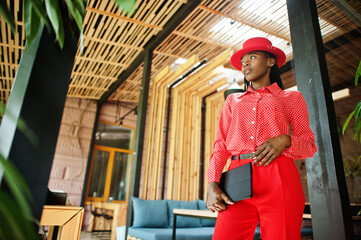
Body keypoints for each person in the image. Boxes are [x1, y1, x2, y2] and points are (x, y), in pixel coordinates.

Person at [206, 37, 317, 240]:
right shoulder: (232, 101)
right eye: (243, 61)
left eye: (252, 57)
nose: (245, 63)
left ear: (270, 61)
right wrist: (212, 183)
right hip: (237, 178)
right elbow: (220, 145)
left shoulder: (292, 98)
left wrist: (286, 139)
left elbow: (309, 146)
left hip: (280, 178)